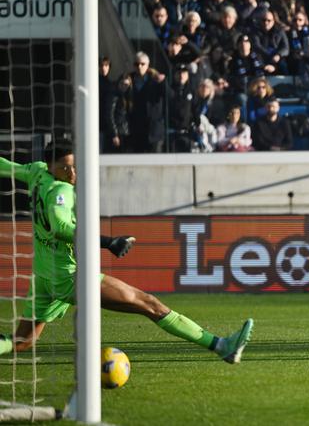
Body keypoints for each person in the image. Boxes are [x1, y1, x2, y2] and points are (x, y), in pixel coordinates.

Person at [0, 139, 253, 362]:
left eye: (74, 165)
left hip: (43, 277)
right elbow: (60, 227)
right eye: (65, 167)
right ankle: (222, 346)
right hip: (69, 278)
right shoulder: (61, 191)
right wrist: (108, 241)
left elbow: (7, 167)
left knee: (23, 340)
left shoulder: (37, 172)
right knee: (149, 303)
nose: (72, 172)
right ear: (51, 165)